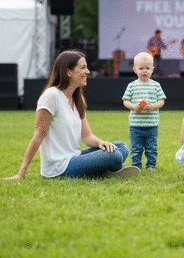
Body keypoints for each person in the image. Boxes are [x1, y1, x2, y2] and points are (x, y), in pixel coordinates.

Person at [4, 50, 139, 180]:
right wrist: (21, 172)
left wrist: (101, 143)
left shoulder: (77, 99)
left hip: (74, 157)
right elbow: (39, 134)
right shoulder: (51, 96)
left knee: (120, 147)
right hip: (60, 166)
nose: (88, 72)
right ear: (68, 71)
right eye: (83, 67)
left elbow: (87, 136)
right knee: (114, 155)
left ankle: (104, 171)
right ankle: (108, 171)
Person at [122, 51, 166, 170]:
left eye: (147, 68)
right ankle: (136, 166)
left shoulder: (156, 85)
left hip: (152, 124)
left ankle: (151, 165)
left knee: (151, 147)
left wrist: (153, 106)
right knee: (136, 147)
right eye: (141, 68)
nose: (144, 71)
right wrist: (133, 106)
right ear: (135, 69)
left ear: (152, 69)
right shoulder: (132, 85)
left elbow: (161, 101)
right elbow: (125, 101)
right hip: (136, 124)